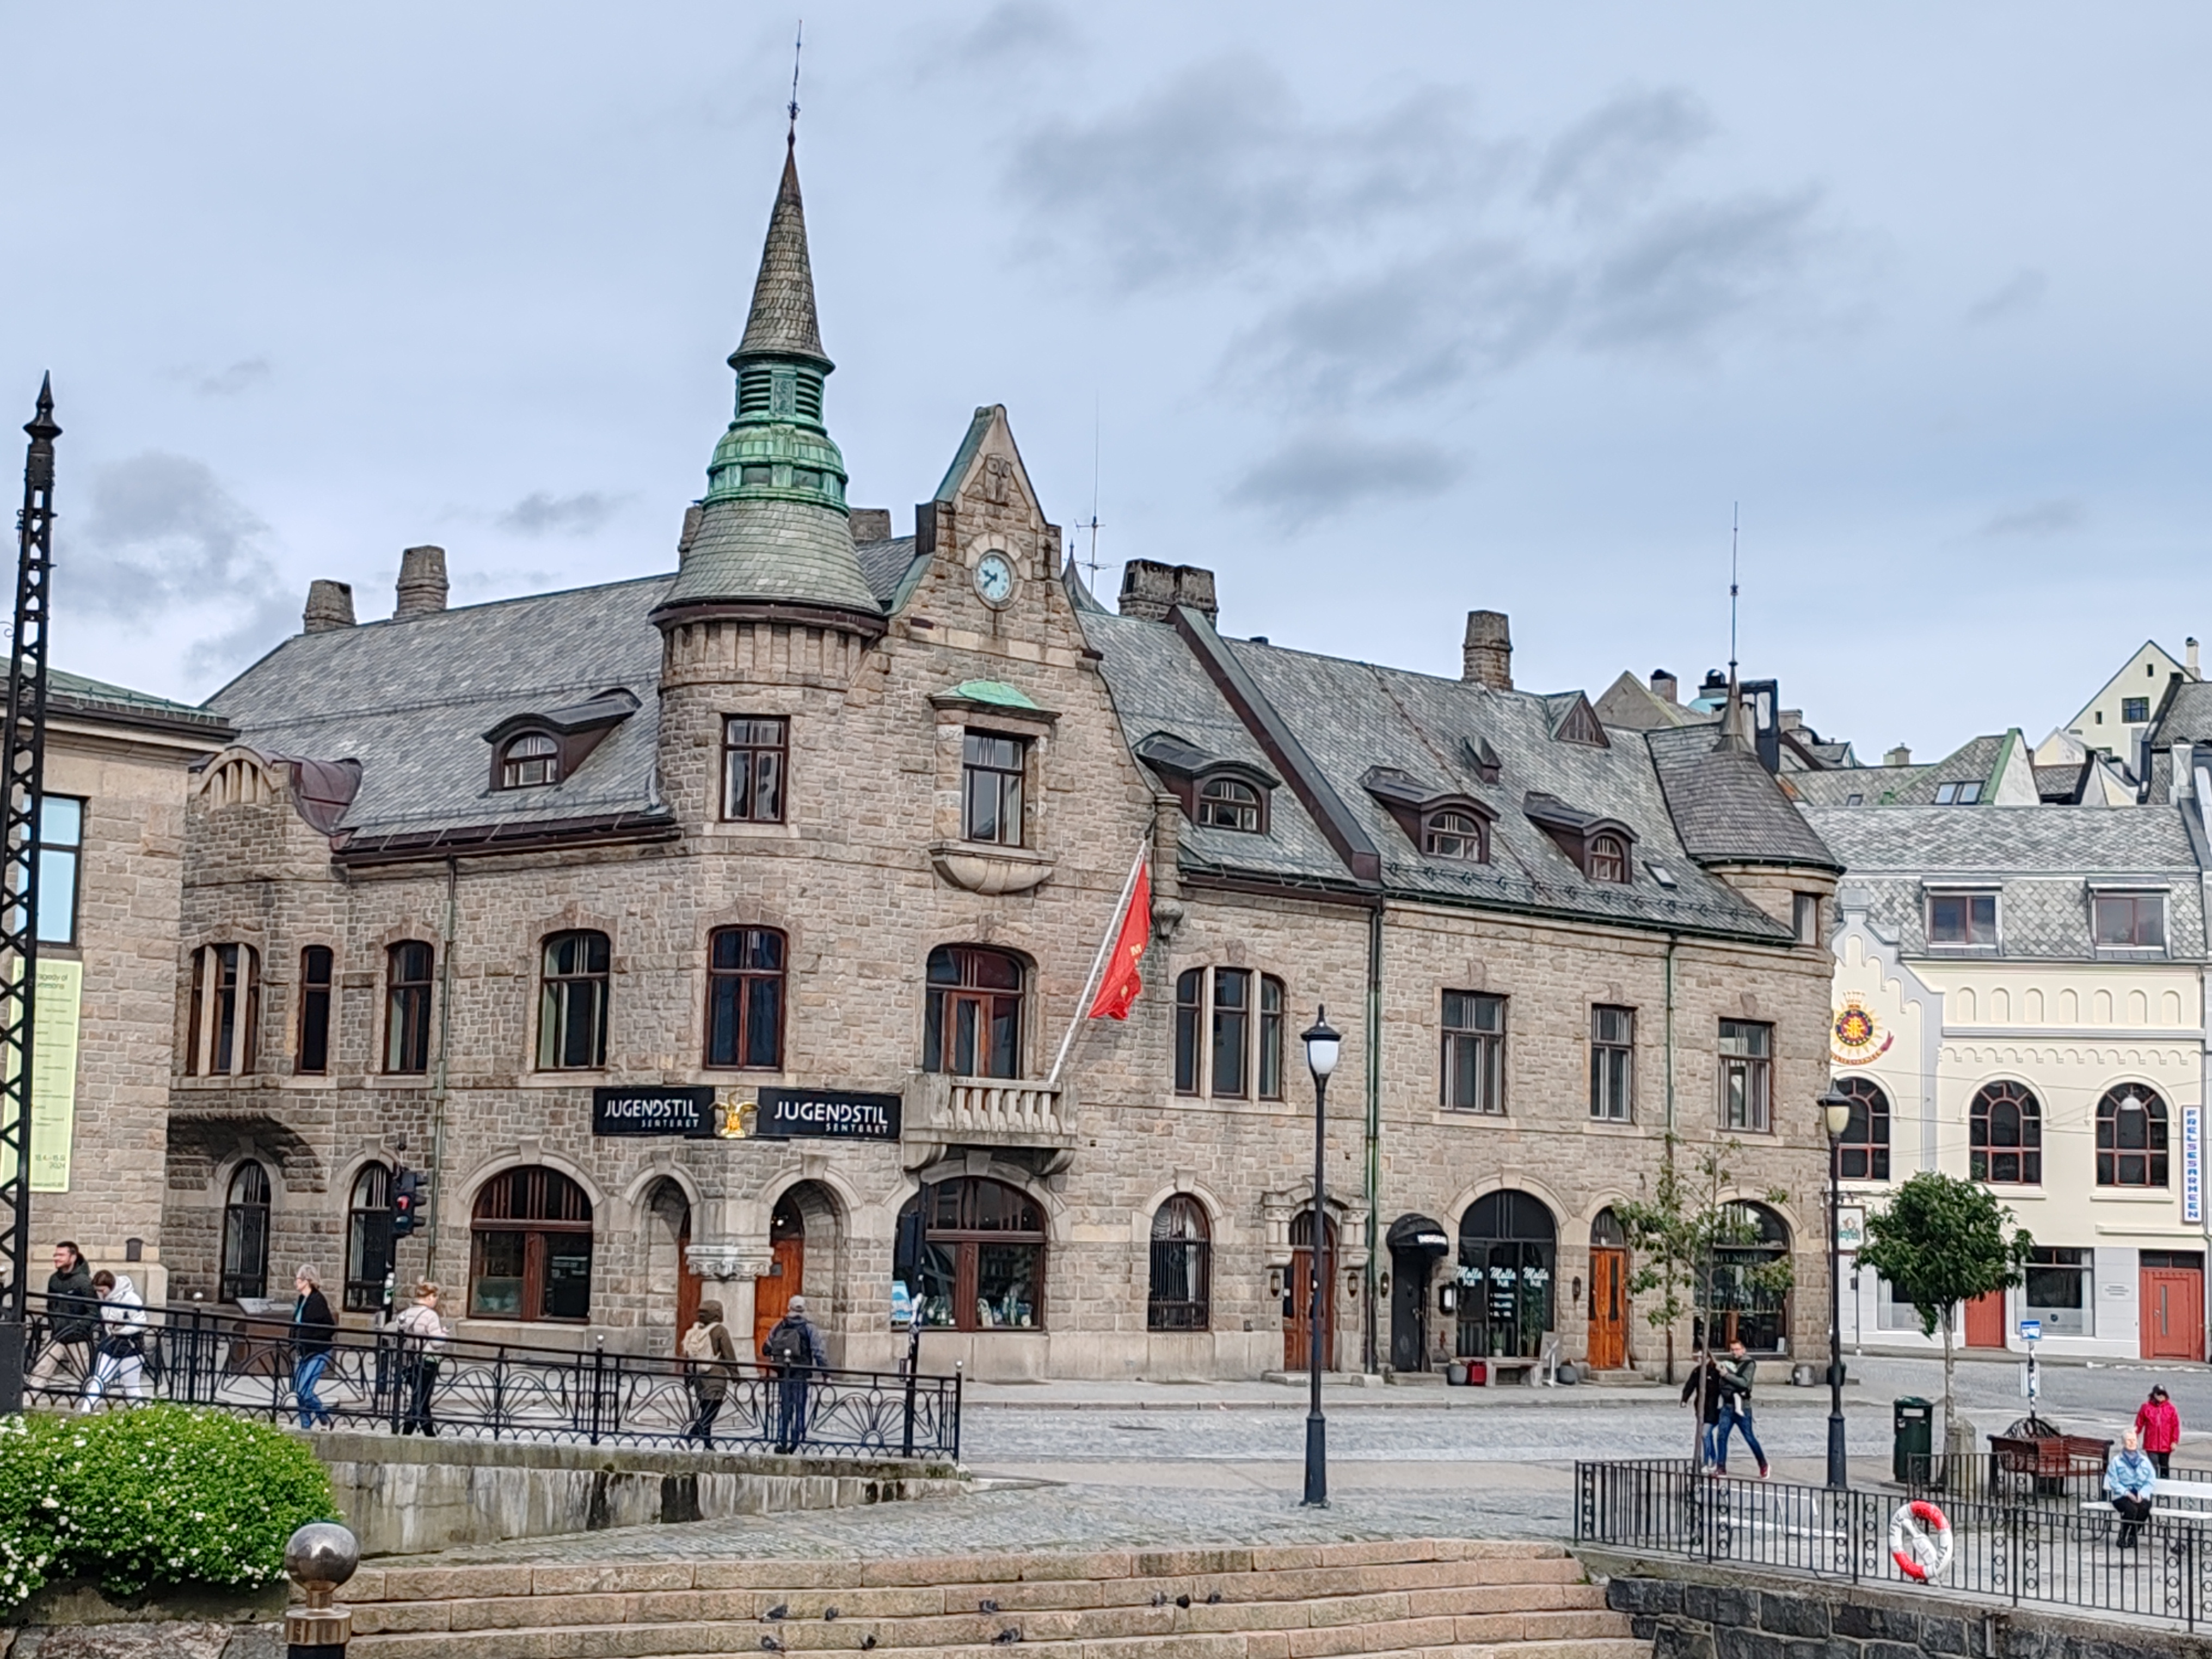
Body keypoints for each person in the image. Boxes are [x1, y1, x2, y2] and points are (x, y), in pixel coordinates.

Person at [27, 1242, 97, 1403]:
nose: (56, 1258)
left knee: (84, 1376)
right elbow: (50, 1305)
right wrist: (55, 1325)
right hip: (57, 1335)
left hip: (78, 1337)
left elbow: (93, 1312)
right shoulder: (54, 1280)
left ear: (72, 1257)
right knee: (41, 1369)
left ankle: (90, 1408)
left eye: (61, 1255)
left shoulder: (84, 1282)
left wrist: (79, 1327)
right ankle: (26, 1404)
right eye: (56, 1255)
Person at [763, 1294, 829, 1454]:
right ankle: (796, 1440)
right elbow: (818, 1351)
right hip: (801, 1372)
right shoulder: (809, 1327)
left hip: (784, 1373)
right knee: (800, 1406)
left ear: (789, 1307)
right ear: (804, 1309)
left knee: (785, 1406)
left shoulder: (780, 1325)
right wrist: (826, 1373)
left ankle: (782, 1439)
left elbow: (766, 1348)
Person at [79, 1269, 149, 1409]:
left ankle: (145, 1418)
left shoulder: (131, 1298)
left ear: (110, 1287)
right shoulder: (106, 1301)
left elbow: (140, 1320)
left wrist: (122, 1331)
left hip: (130, 1346)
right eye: (97, 1291)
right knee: (98, 1381)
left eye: (102, 1290)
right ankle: (86, 1411)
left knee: (131, 1389)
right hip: (112, 1344)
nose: (100, 1294)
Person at [392, 1281, 448, 1436]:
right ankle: (421, 1432)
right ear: (430, 1297)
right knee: (422, 1398)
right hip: (428, 1360)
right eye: (435, 1297)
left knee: (418, 1396)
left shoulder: (404, 1314)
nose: (436, 1301)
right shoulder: (430, 1315)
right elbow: (436, 1343)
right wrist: (444, 1334)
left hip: (409, 1361)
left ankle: (419, 1430)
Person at [680, 1300, 740, 1445]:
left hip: (699, 1376)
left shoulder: (696, 1329)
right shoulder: (720, 1330)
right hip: (716, 1376)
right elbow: (729, 1354)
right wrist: (735, 1375)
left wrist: (688, 1377)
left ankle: (708, 1444)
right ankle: (690, 1436)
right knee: (711, 1411)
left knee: (705, 1409)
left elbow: (688, 1355)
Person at [1715, 1337, 1771, 1479]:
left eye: (1737, 1349)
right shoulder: (1728, 1363)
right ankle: (1721, 1467)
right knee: (1722, 1437)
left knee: (1749, 1437)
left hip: (1743, 1407)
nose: (1735, 1352)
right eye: (1732, 1349)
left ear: (1743, 1350)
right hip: (1727, 1406)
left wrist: (1727, 1376)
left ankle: (1763, 1464)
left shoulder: (1749, 1364)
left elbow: (1744, 1383)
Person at [291, 1265, 337, 1430]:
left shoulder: (317, 1301)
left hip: (318, 1350)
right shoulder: (302, 1299)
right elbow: (297, 1322)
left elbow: (328, 1327)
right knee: (299, 1390)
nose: (296, 1282)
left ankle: (324, 1417)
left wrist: (310, 1339)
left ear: (307, 1281)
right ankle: (306, 1426)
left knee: (306, 1390)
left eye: (298, 1279)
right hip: (304, 1350)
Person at [2108, 1428, 2160, 1549]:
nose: (2132, 1443)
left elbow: (2151, 1480)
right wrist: (2127, 1493)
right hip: (2121, 1497)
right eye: (2128, 1440)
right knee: (2131, 1509)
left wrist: (2142, 1494)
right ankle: (2123, 1534)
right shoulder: (2117, 1461)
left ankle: (2133, 1535)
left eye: (2134, 1440)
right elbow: (2113, 1482)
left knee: (2145, 1507)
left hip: (2139, 1495)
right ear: (2123, 1443)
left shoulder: (2144, 1461)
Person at [1681, 1350, 1728, 1472]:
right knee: (1707, 1436)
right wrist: (1684, 1399)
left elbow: (1726, 1388)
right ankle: (1714, 1458)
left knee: (1705, 1434)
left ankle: (1706, 1462)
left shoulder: (1716, 1371)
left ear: (1708, 1358)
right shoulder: (1697, 1371)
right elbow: (1690, 1385)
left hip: (1714, 1409)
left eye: (1702, 1358)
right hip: (1701, 1409)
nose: (1699, 1360)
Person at [2137, 1385, 2181, 1478]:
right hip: (2151, 1444)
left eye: (2163, 1394)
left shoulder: (2171, 1408)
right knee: (2153, 1466)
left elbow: (2175, 1426)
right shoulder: (2146, 1407)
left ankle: (2165, 1489)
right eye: (2159, 1394)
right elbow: (2139, 1423)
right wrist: (2134, 1436)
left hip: (2166, 1445)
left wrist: (2175, 1441)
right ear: (2154, 1395)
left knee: (2164, 1467)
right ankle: (2153, 1487)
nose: (2161, 1396)